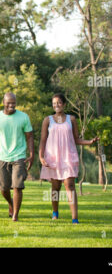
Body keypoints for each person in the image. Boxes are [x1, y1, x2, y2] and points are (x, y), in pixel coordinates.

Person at [39, 93, 98, 224]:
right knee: (55, 187)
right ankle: (55, 213)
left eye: (59, 103)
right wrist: (41, 156)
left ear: (64, 104)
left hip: (68, 156)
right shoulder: (47, 120)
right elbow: (43, 140)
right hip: (52, 156)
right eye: (54, 104)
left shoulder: (71, 119)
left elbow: (76, 139)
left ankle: (75, 218)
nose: (56, 105)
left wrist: (89, 142)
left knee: (70, 185)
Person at [0, 92, 34, 222]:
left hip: (19, 156)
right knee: (3, 188)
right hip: (3, 157)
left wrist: (31, 154)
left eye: (13, 103)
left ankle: (15, 215)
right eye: (9, 103)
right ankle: (11, 203)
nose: (11, 105)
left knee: (17, 186)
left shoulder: (23, 117)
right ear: (3, 102)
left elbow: (29, 136)